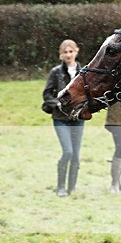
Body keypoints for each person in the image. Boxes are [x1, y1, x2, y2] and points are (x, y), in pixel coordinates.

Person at [41, 39, 83, 197]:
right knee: (68, 152)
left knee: (76, 156)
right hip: (60, 118)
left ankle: (72, 188)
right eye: (65, 52)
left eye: (71, 51)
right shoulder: (56, 72)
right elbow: (47, 95)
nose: (68, 54)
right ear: (61, 54)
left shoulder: (83, 72)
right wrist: (58, 103)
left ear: (76, 52)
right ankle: (60, 187)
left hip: (78, 118)